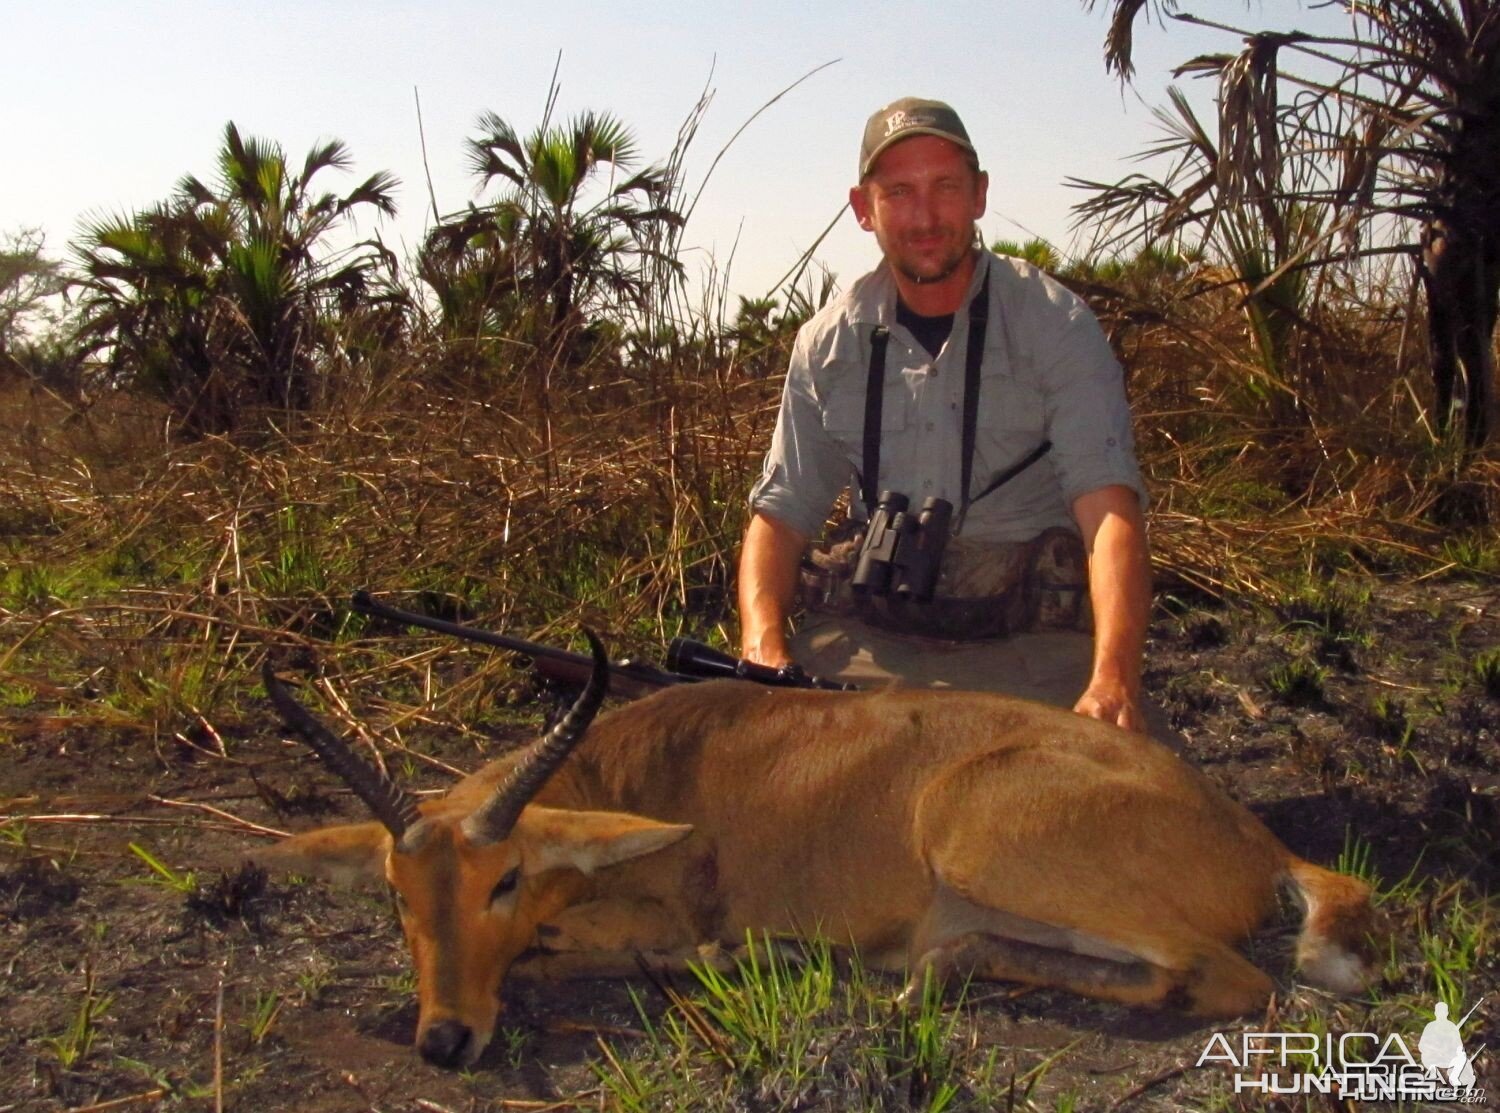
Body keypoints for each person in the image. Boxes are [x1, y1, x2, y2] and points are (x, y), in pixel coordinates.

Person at [738, 96, 1173, 742]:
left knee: (1127, 813)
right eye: (899, 192)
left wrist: (1111, 680)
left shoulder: (1056, 324)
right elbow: (778, 518)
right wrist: (763, 648)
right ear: (864, 209)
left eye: (945, 187)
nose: (924, 215)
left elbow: (1111, 516)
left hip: (1029, 651)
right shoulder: (827, 344)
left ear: (979, 195)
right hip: (870, 651)